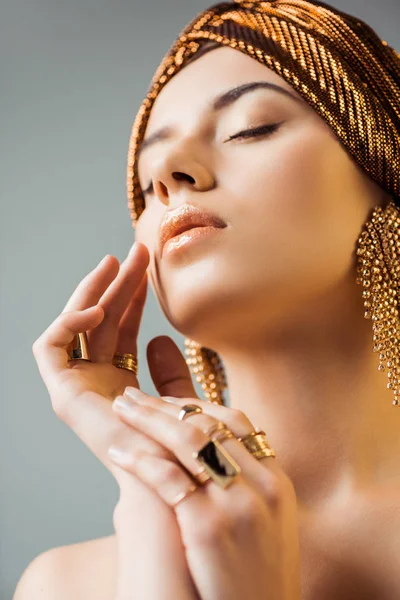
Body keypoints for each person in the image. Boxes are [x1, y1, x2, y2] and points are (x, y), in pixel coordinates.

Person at [14, 1, 400, 599]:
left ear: (384, 169)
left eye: (251, 127)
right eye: (146, 185)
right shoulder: (65, 585)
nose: (168, 173)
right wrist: (146, 481)